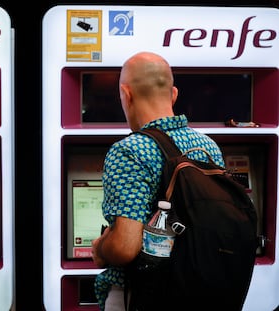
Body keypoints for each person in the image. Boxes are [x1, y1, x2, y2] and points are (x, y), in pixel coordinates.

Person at [91, 51, 226, 310]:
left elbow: (124, 247)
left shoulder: (129, 150)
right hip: (199, 290)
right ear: (173, 94)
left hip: (144, 294)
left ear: (126, 95)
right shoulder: (208, 146)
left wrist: (101, 248)